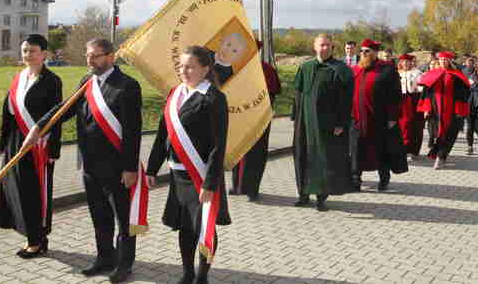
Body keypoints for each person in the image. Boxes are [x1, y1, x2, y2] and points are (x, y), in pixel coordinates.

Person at [22, 38, 142, 283]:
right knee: (99, 215)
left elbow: (133, 131)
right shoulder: (87, 81)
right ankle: (104, 259)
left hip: (117, 166)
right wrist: (39, 127)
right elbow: (65, 108)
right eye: (88, 56)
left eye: (95, 56)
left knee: (123, 218)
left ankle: (124, 265)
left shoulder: (127, 86)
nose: (90, 60)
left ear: (111, 56)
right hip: (90, 164)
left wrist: (130, 168)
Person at [146, 46, 231, 284]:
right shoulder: (175, 93)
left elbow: (218, 146)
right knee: (185, 228)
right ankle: (187, 273)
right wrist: (152, 168)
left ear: (205, 69)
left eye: (190, 66)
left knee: (204, 228)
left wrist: (210, 183)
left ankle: (202, 276)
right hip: (178, 176)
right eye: (181, 66)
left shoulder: (214, 98)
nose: (184, 71)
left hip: (201, 177)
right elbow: (164, 135)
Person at [0, 34, 62, 258]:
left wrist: (54, 149)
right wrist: (2, 142)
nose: (27, 55)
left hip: (38, 145)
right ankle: (30, 236)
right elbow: (8, 112)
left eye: (32, 51)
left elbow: (56, 117)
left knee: (34, 193)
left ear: (44, 54)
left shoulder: (52, 81)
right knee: (16, 189)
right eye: (24, 50)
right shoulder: (18, 77)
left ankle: (37, 240)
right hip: (16, 140)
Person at [291, 34, 353, 211]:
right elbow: (298, 93)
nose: (324, 48)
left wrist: (341, 123)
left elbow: (346, 100)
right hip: (304, 122)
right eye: (321, 45)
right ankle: (303, 194)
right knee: (302, 156)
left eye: (328, 45)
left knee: (323, 159)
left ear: (332, 47)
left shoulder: (340, 70)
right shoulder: (305, 67)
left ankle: (321, 197)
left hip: (325, 124)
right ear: (314, 46)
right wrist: (295, 116)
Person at [350, 39, 406, 192]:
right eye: (361, 51)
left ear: (375, 52)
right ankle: (355, 179)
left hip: (378, 119)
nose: (363, 54)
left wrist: (393, 118)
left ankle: (384, 179)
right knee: (356, 150)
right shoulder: (355, 70)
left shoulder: (387, 70)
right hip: (357, 119)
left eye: (366, 51)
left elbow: (395, 95)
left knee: (381, 150)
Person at [231, 41, 281, 201]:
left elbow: (272, 94)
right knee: (238, 152)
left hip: (259, 119)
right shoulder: (236, 69)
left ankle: (252, 189)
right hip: (240, 118)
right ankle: (237, 185)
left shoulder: (267, 70)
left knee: (256, 155)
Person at [417, 51, 470, 169]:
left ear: (450, 61)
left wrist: (459, 110)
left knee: (449, 133)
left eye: (445, 60)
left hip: (451, 110)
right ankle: (440, 155)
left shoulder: (456, 75)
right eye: (441, 60)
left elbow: (462, 94)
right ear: (438, 61)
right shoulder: (432, 74)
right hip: (436, 110)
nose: (443, 62)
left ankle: (440, 157)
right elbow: (426, 93)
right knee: (437, 134)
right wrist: (426, 108)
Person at [397, 53, 424, 161]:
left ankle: (413, 150)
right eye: (403, 62)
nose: (405, 64)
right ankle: (404, 149)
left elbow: (422, 88)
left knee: (415, 125)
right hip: (401, 101)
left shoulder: (417, 73)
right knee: (403, 125)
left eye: (407, 62)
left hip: (414, 101)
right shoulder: (397, 73)